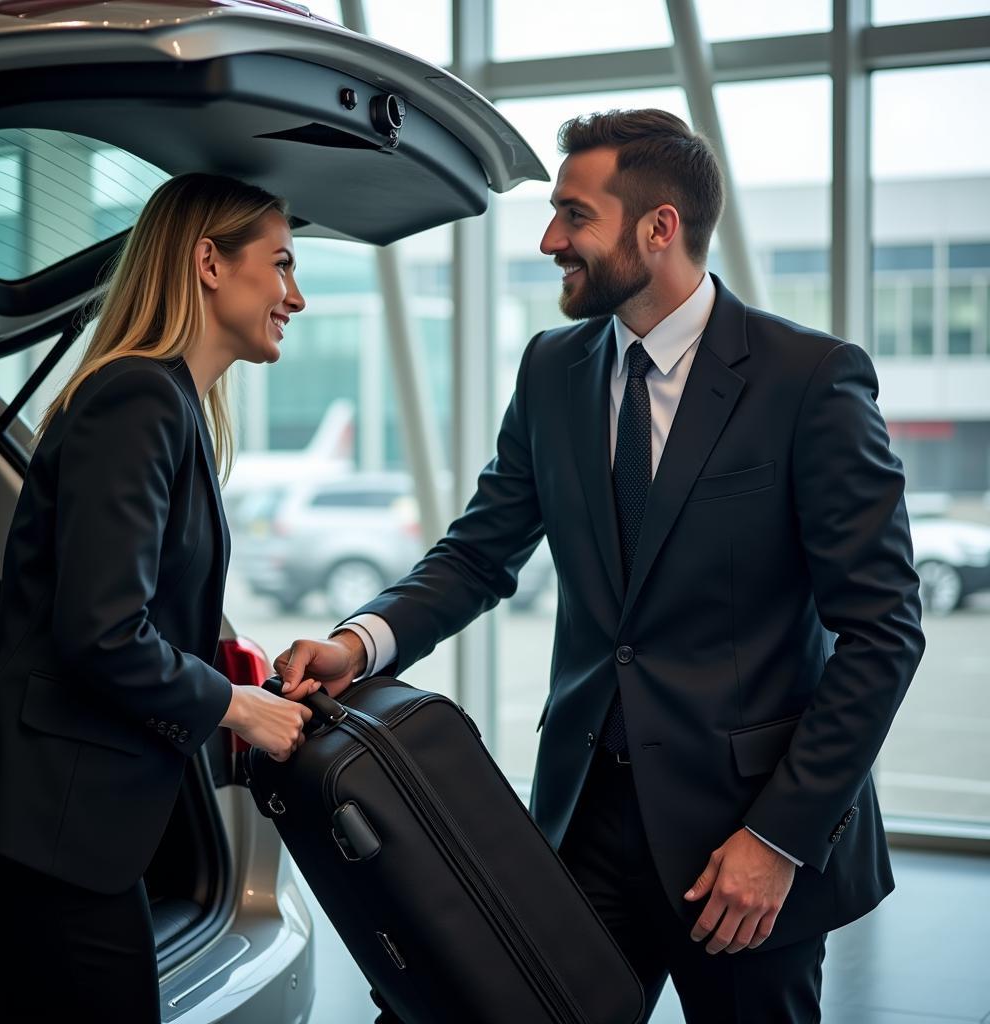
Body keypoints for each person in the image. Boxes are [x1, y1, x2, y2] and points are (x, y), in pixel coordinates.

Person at [276, 109, 925, 1022]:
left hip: (742, 843)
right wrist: (363, 641)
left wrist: (777, 837)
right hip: (584, 821)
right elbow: (477, 552)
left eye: (574, 216)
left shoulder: (809, 381)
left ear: (659, 229)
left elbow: (884, 632)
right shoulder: (551, 370)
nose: (550, 240)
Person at [0, 173, 319, 1023]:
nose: (296, 297)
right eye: (280, 265)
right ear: (208, 261)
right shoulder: (137, 400)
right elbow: (104, 632)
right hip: (47, 824)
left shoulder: (173, 405)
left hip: (71, 823)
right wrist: (234, 707)